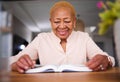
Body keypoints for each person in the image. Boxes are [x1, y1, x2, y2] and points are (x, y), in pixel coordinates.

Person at [10, 1, 115, 73]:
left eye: (67, 21)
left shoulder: (83, 37)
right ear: (51, 22)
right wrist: (16, 65)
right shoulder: (41, 39)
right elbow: (12, 61)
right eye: (56, 22)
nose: (62, 26)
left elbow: (108, 59)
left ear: (74, 22)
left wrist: (106, 60)